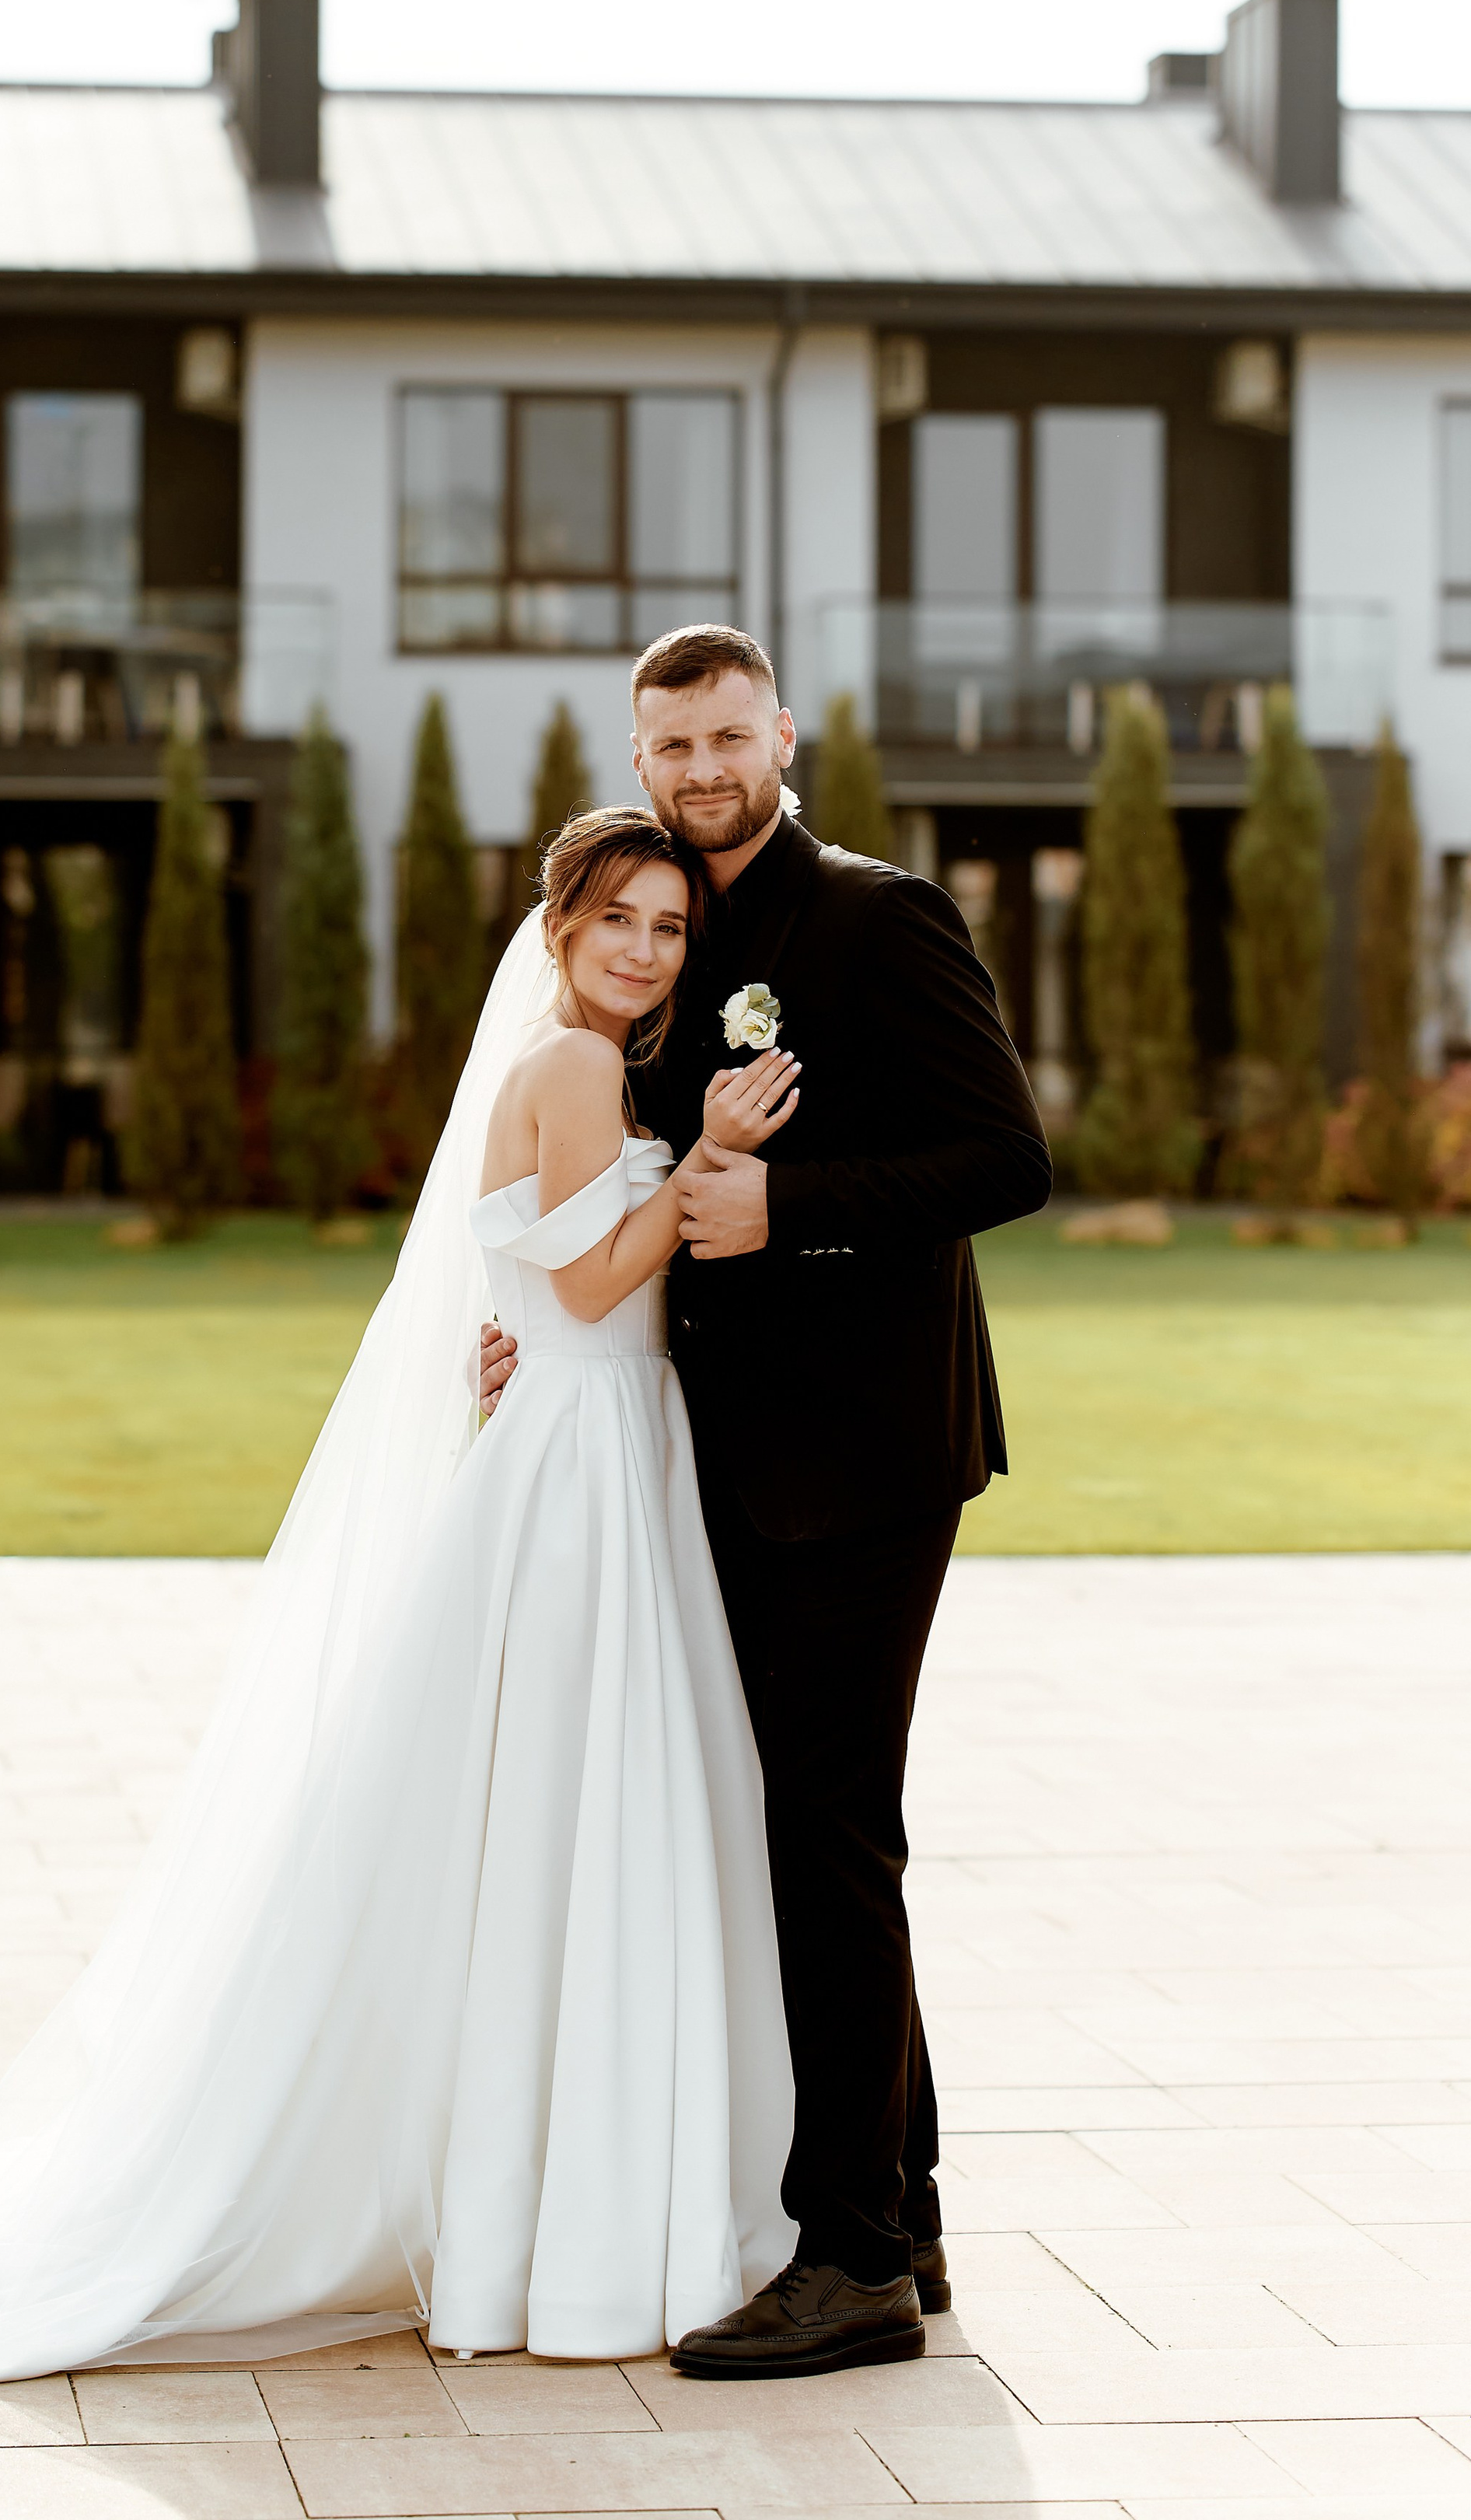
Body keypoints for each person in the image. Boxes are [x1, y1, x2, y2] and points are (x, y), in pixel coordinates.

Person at [0, 806, 807, 2394]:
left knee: (546, 1835)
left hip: (586, 1451)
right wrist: (709, 1161)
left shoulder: (589, 1072)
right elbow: (579, 1290)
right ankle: (564, 2213)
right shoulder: (571, 1070)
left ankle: (545, 2198)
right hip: (576, 1479)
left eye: (668, 927)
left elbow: (543, 1285)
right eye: (617, 918)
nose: (644, 946)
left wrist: (662, 1177)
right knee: (573, 1821)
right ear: (558, 928)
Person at [482, 626, 1052, 2380]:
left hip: (866, 1453)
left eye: (727, 735)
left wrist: (782, 1203)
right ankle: (911, 2208)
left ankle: (853, 2260)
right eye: (672, 745)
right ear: (640, 756)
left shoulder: (878, 917)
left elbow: (1002, 1158)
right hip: (704, 1458)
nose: (701, 768)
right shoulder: (666, 939)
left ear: (781, 734)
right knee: (812, 1823)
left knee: (823, 1827)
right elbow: (596, 1186)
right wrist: (527, 1318)